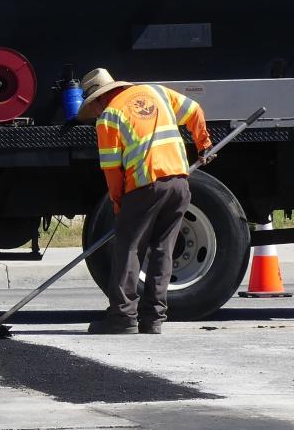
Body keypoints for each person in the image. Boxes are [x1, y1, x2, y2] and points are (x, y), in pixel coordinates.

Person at [76, 67, 212, 335]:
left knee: (128, 248)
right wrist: (203, 144)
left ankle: (123, 317)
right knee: (163, 249)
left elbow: (113, 171)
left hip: (145, 186)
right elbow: (194, 109)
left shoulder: (109, 118)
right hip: (179, 184)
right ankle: (153, 319)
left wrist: (118, 203)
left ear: (99, 98)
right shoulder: (156, 92)